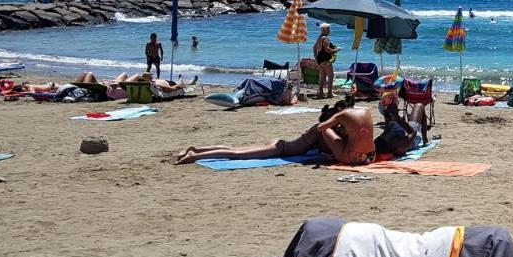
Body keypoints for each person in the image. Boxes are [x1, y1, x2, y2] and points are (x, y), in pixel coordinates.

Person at [175, 106, 376, 166]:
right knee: (236, 152)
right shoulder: (365, 112)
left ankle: (196, 151)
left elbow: (324, 129)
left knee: (236, 151)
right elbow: (323, 130)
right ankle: (196, 153)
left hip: (283, 146)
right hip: (280, 148)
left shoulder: (338, 122)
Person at [375, 93, 430, 158]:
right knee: (419, 106)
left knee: (389, 117)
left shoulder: (382, 140)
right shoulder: (400, 147)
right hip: (413, 137)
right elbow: (413, 132)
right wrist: (397, 118)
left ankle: (388, 108)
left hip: (401, 131)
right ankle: (424, 139)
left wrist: (387, 110)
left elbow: (387, 126)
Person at [313, 24, 338, 99]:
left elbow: (314, 47)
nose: (330, 31)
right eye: (329, 29)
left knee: (322, 76)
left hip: (320, 59)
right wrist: (336, 50)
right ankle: (329, 93)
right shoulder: (325, 38)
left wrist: (315, 57)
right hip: (326, 59)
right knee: (331, 75)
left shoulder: (319, 38)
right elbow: (327, 49)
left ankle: (320, 92)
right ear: (325, 30)